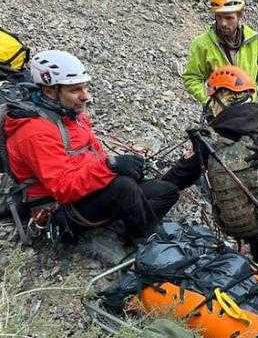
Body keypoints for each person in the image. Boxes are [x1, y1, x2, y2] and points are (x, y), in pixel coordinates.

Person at [5, 50, 179, 242]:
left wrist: (121, 166)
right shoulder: (34, 132)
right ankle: (145, 243)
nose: (85, 96)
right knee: (124, 187)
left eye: (85, 88)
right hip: (58, 209)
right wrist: (111, 166)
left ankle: (125, 230)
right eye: (74, 90)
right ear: (49, 91)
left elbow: (95, 154)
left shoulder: (71, 115)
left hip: (86, 191)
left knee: (167, 191)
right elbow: (62, 188)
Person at [163, 66, 258, 274]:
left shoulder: (208, 140)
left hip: (251, 228)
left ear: (221, 99)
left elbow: (177, 179)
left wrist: (147, 193)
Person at [182, 0, 258, 120]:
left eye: (229, 18)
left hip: (248, 110)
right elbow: (192, 78)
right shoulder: (202, 44)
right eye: (219, 17)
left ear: (240, 15)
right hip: (219, 115)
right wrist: (210, 102)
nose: (223, 23)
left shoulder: (254, 40)